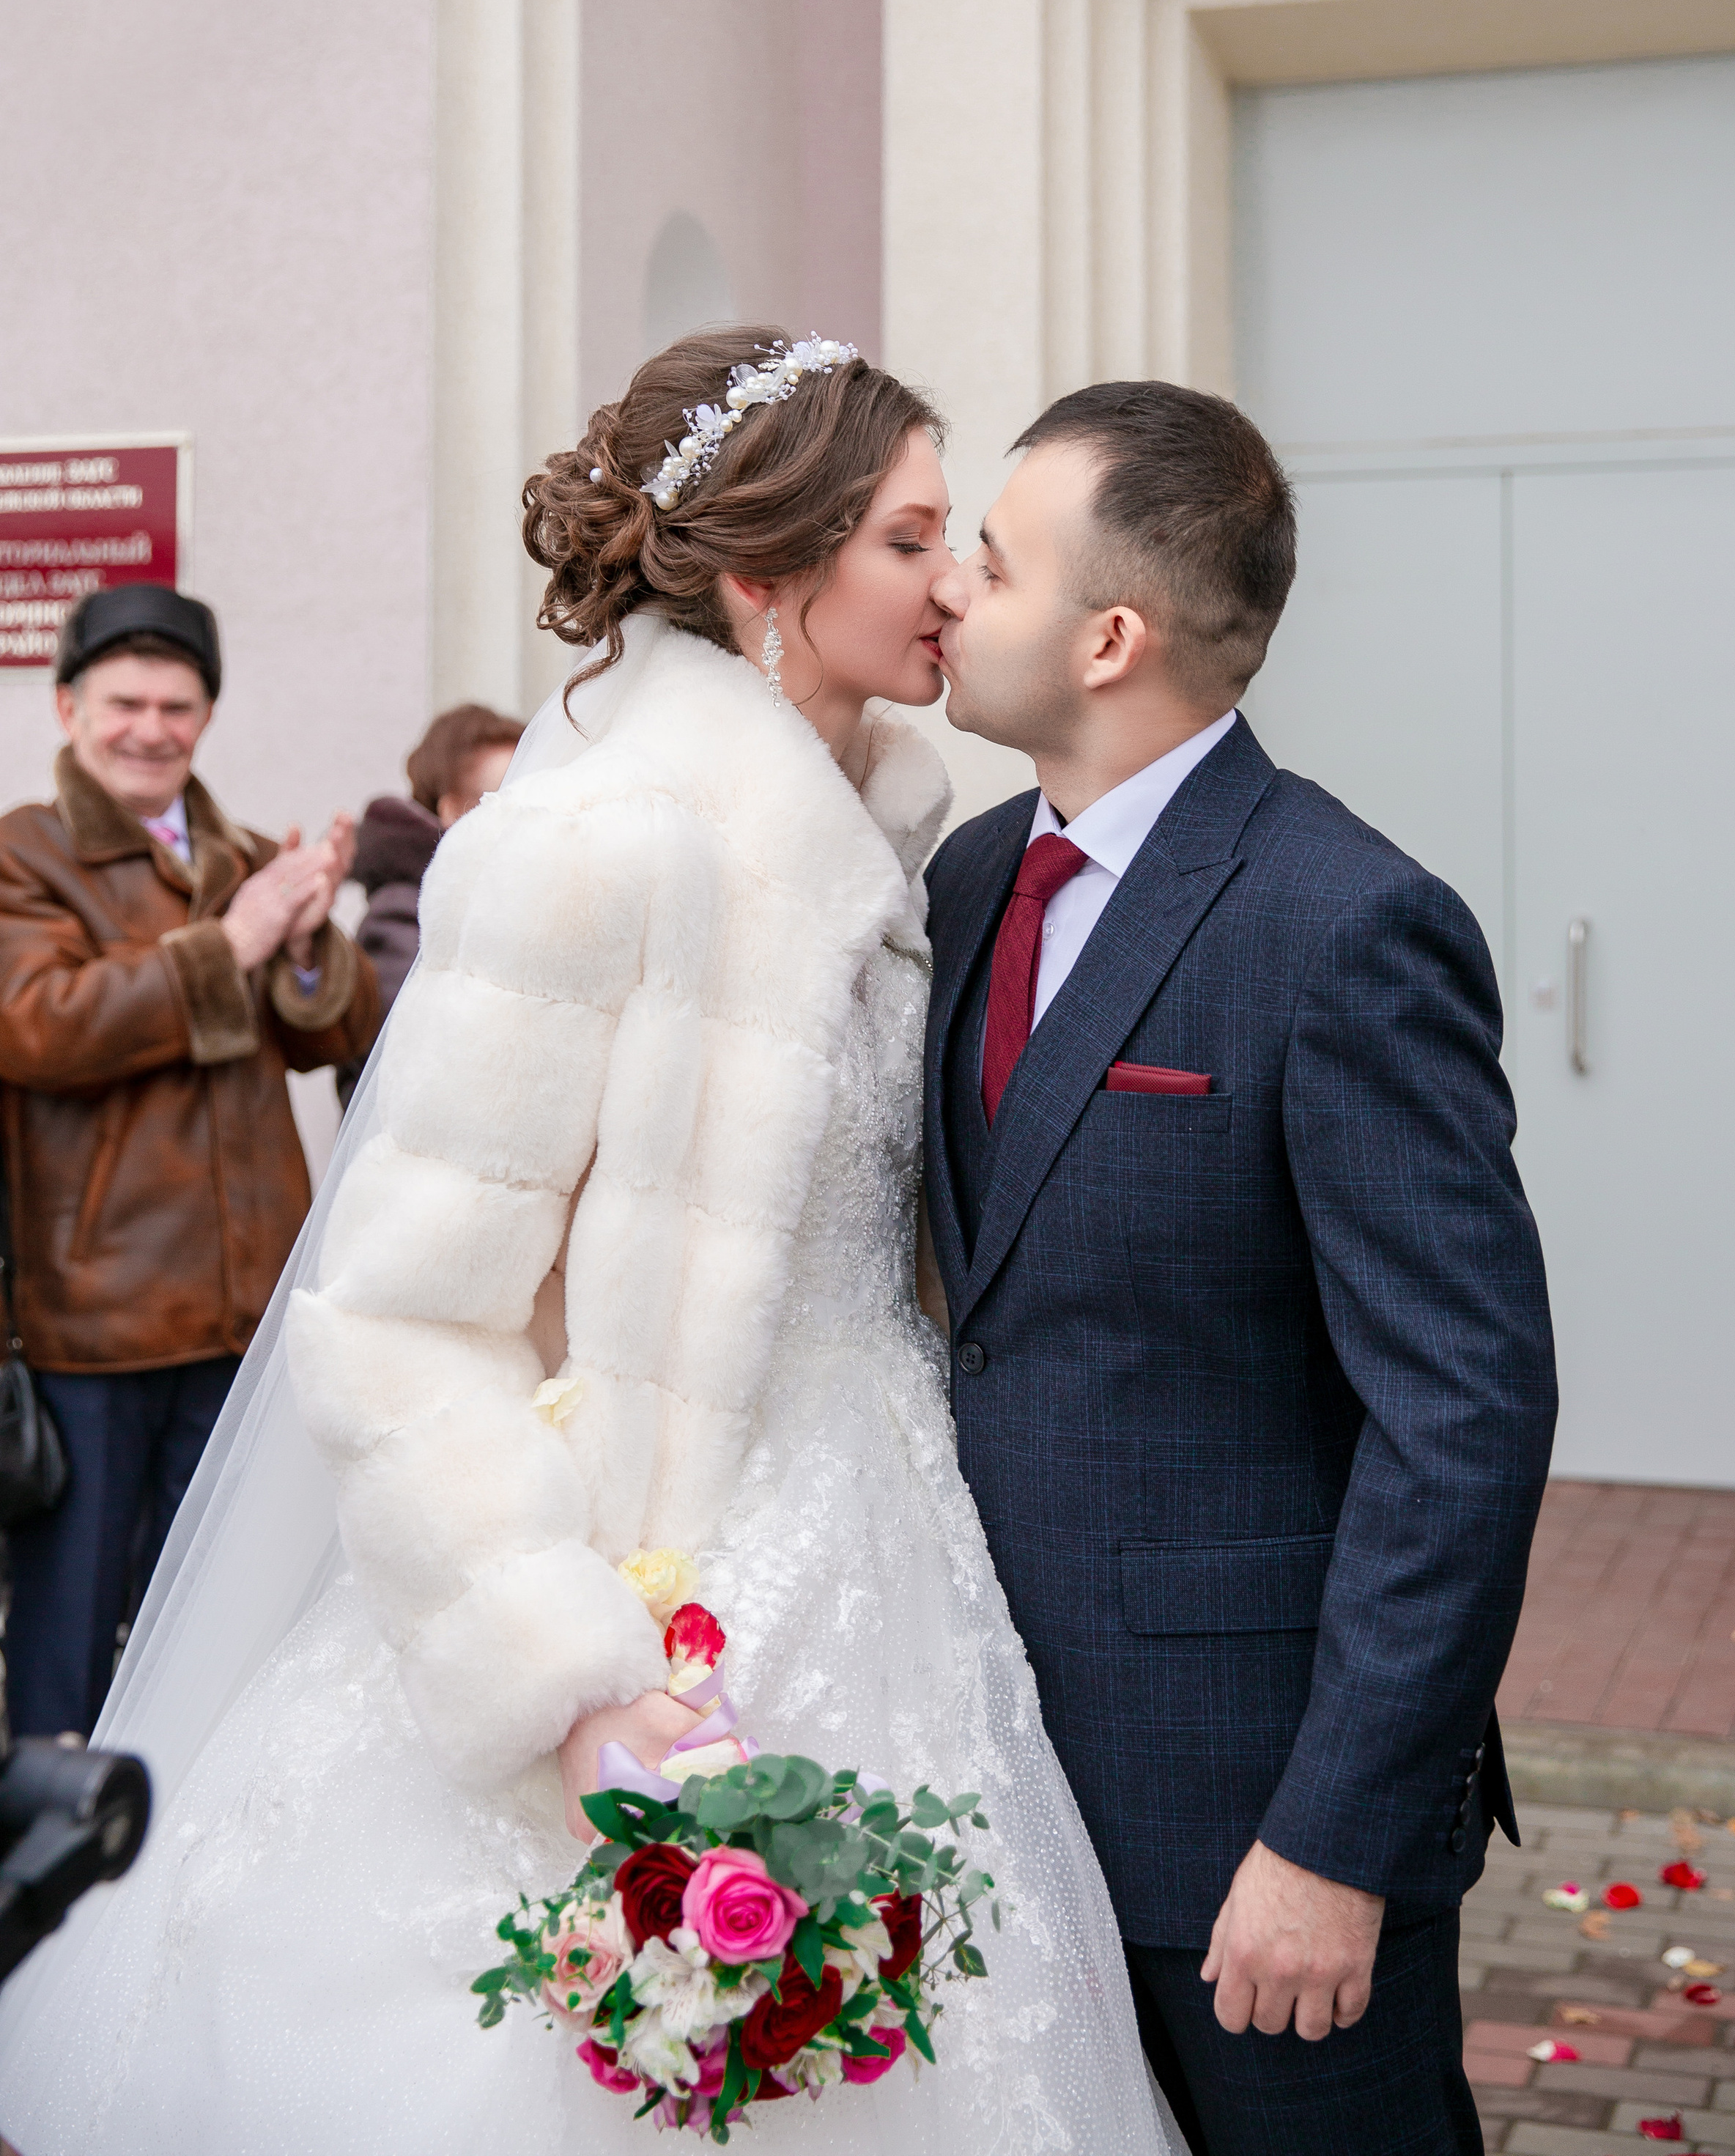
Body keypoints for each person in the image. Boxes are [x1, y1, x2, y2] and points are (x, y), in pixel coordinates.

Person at [0, 336, 1177, 2155]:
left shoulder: (907, 863)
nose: (954, 583)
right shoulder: (591, 844)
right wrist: (568, 1680)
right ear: (762, 573)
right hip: (635, 1586)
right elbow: (396, 1321)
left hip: (899, 1547)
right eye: (908, 537)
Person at [922, 381, 1558, 2156]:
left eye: (986, 556)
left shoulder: (1341, 920)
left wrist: (1330, 1839)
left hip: (1250, 1817)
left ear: (1105, 632)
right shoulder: (974, 877)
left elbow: (1463, 1417)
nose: (952, 593)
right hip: (1004, 1781)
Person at [0, 584, 377, 1740]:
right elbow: (41, 1024)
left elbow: (341, 1034)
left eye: (177, 703)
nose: (151, 727)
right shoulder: (26, 853)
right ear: (68, 707)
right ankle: (52, 1880)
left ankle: (180, 1864)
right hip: (95, 1322)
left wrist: (309, 940)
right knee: (71, 1635)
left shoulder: (248, 856)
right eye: (124, 701)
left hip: (245, 1317)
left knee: (220, 1627)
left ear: (206, 717)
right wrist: (235, 943)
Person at [336, 703, 523, 1104]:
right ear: (451, 810)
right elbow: (430, 1058)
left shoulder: (504, 901)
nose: (528, 822)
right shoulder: (404, 913)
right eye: (506, 802)